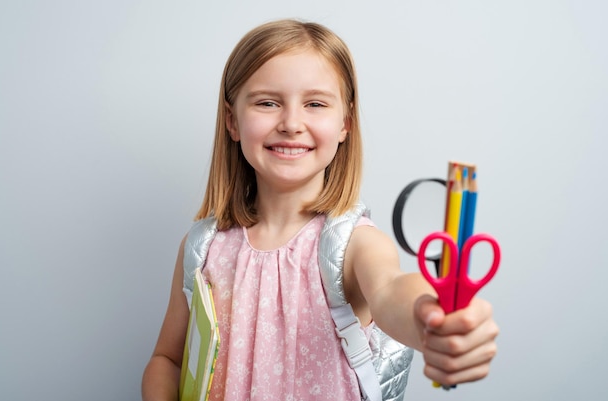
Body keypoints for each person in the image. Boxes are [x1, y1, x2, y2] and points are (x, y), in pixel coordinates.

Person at [142, 19, 499, 401]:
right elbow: (168, 359)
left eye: (315, 104)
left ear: (345, 123)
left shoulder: (354, 245)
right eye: (267, 102)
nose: (292, 124)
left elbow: (393, 291)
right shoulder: (202, 246)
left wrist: (433, 323)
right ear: (232, 120)